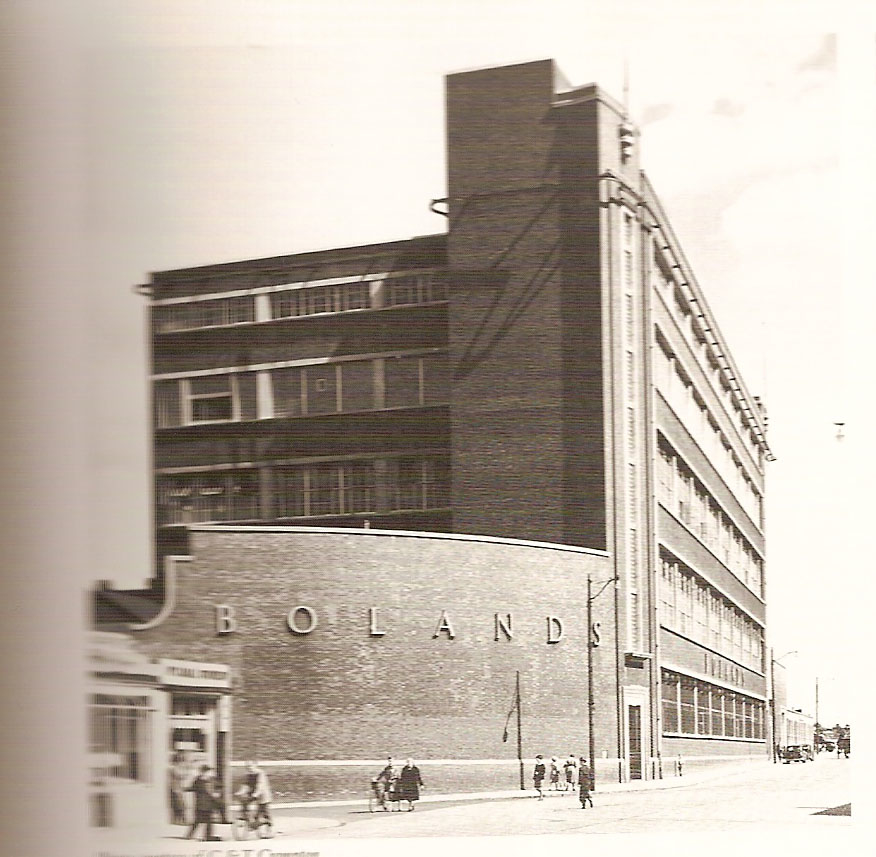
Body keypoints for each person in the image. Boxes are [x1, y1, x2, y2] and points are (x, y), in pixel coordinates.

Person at [186, 765, 223, 841]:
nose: (211, 773)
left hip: (204, 804)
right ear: (204, 772)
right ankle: (207, 837)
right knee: (206, 821)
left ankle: (190, 835)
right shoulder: (201, 781)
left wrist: (217, 792)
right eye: (209, 772)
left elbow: (219, 786)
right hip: (204, 804)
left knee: (199, 821)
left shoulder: (204, 780)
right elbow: (194, 788)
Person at [237, 760, 273, 826]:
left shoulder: (260, 773)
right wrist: (240, 792)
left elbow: (260, 785)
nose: (249, 768)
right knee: (244, 801)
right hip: (253, 793)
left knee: (262, 812)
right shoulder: (248, 774)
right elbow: (246, 784)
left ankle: (268, 825)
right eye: (247, 766)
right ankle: (246, 817)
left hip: (262, 795)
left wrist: (256, 794)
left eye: (250, 766)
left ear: (255, 765)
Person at [169, 751, 189, 824]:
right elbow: (180, 775)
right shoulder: (174, 768)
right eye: (180, 760)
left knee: (180, 805)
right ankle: (182, 820)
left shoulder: (174, 768)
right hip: (176, 789)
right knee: (180, 805)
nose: (181, 762)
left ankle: (179, 820)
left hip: (177, 788)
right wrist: (186, 771)